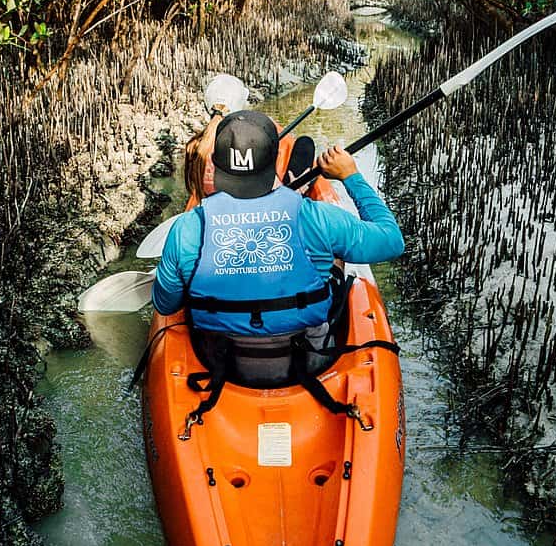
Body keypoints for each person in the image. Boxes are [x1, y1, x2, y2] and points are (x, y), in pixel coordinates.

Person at [153, 109, 403, 385]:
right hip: (310, 356)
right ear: (275, 162)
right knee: (334, 260)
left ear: (216, 163)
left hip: (218, 359)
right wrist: (351, 176)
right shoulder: (317, 216)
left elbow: (166, 305)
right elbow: (391, 241)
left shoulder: (186, 228)